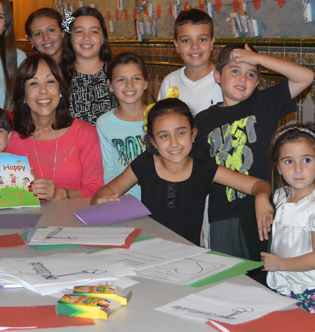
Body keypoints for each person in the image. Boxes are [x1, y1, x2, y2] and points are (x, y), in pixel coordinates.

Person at [91, 98, 274, 247]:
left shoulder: (205, 168)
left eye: (181, 133)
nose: (174, 143)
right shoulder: (144, 164)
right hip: (146, 252)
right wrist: (99, 201)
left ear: (193, 135)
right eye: (164, 136)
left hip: (189, 259)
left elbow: (259, 185)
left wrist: (262, 197)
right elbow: (103, 193)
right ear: (153, 141)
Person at [192, 43, 314, 260]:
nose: (243, 79)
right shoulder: (203, 121)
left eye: (251, 74)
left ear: (257, 82)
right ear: (218, 76)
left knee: (266, 280)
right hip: (223, 216)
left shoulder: (264, 103)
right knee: (230, 283)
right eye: (235, 71)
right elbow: (197, 176)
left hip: (267, 210)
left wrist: (259, 59)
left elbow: (305, 77)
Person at [261, 124, 315, 321]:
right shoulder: (281, 197)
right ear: (278, 168)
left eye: (306, 160)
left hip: (308, 292)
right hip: (284, 286)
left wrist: (280, 264)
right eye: (288, 161)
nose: (298, 169)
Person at [6, 53, 104, 201]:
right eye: (33, 83)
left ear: (60, 91)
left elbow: (95, 189)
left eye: (50, 81)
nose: (43, 90)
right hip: (25, 221)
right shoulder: (9, 139)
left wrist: (61, 194)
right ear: (23, 96)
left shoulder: (85, 133)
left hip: (74, 221)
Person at [96, 52, 148, 200]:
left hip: (157, 199)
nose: (129, 85)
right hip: (125, 200)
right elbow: (109, 168)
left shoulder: (158, 117)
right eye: (121, 80)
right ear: (110, 85)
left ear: (145, 83)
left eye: (136, 78)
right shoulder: (104, 123)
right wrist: (115, 197)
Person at [157, 9, 223, 116]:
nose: (195, 46)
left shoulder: (224, 80)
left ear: (212, 43)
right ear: (176, 45)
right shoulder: (170, 82)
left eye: (202, 39)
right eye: (186, 40)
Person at [60, 7, 117, 125]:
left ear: (103, 39)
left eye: (94, 31)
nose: (86, 37)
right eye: (79, 31)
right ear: (70, 38)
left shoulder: (117, 73)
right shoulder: (57, 75)